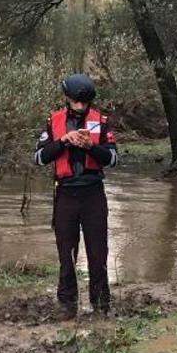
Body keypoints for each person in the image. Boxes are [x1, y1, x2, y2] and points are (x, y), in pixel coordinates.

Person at [34, 73, 118, 317]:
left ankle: (101, 306)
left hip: (93, 195)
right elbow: (39, 158)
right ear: (67, 99)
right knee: (66, 252)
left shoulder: (100, 122)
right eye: (75, 102)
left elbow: (113, 159)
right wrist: (63, 141)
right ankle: (67, 305)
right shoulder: (54, 121)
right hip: (66, 194)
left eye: (84, 103)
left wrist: (91, 146)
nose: (80, 107)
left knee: (98, 252)